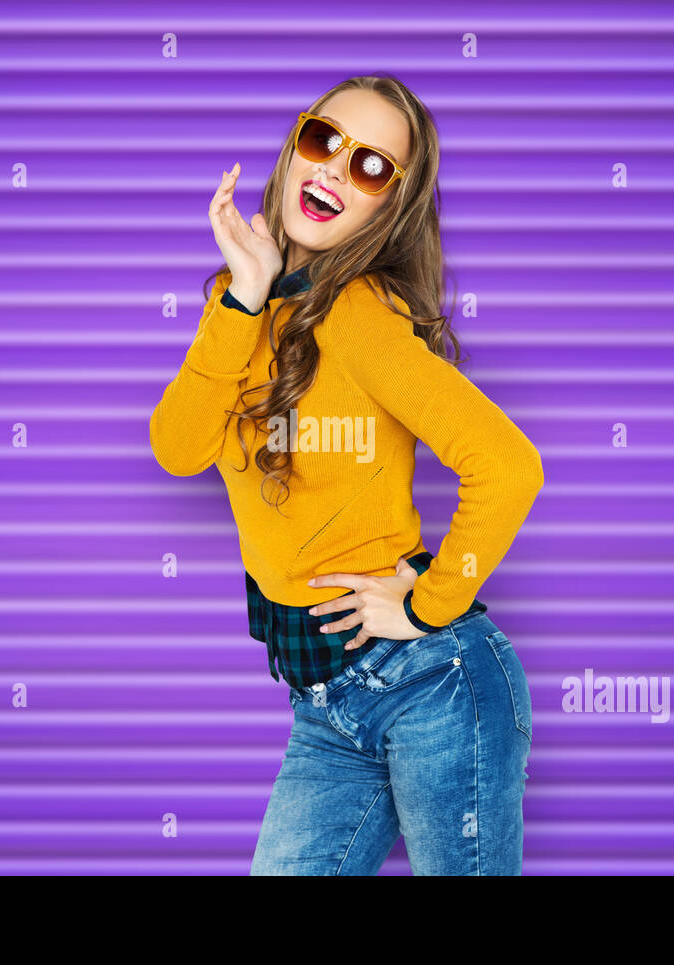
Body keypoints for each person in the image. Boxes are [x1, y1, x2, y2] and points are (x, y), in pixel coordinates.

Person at [149, 74, 544, 875]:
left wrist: (431, 604)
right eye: (324, 140)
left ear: (388, 206)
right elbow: (178, 447)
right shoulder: (240, 302)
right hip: (324, 708)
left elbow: (508, 463)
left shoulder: (360, 312)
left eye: (370, 166)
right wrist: (246, 296)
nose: (334, 168)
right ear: (295, 146)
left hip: (429, 683)